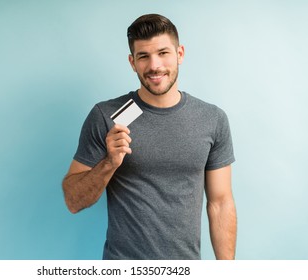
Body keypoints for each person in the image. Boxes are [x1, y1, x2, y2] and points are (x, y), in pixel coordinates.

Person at [62, 14, 237, 260]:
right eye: (144, 56)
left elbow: (220, 203)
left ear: (180, 54)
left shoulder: (212, 119)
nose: (154, 65)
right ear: (133, 62)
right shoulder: (106, 116)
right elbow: (73, 201)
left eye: (163, 53)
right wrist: (109, 163)